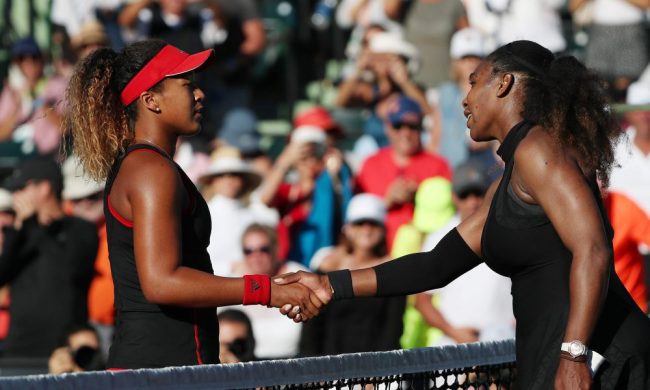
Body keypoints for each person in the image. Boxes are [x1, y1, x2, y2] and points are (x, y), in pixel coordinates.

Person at [278, 40, 650, 389]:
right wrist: (330, 284)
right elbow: (434, 266)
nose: (465, 100)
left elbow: (593, 249)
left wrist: (574, 353)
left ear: (504, 84)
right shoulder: (507, 183)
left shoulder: (538, 149)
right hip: (566, 361)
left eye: (474, 83)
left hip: (604, 361)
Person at [63, 39, 322, 369]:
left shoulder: (152, 167)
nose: (199, 95)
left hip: (169, 368)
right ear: (151, 100)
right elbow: (161, 282)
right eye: (187, 85)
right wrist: (265, 290)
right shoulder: (150, 170)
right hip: (157, 372)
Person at [0, 157, 99, 358]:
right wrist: (17, 233)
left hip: (63, 351)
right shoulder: (22, 232)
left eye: (21, 189)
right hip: (18, 350)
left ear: (44, 188)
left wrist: (33, 227)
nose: (16, 197)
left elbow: (70, 269)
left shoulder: (80, 229)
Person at [417, 161, 514, 346]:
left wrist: (516, 325)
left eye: (478, 193)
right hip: (454, 344)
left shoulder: (509, 233)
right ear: (454, 197)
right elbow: (423, 301)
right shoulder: (438, 237)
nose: (472, 202)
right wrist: (453, 332)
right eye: (465, 195)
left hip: (504, 342)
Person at [299, 193, 405, 356]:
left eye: (373, 223)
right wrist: (311, 372)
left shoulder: (393, 270)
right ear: (347, 228)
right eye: (360, 223)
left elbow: (392, 328)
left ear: (383, 230)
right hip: (329, 369)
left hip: (375, 372)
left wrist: (377, 375)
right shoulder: (327, 264)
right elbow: (312, 326)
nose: (367, 229)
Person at [355, 93, 451, 249]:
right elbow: (356, 217)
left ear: (421, 127)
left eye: (412, 126)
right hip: (378, 252)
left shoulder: (438, 165)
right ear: (387, 127)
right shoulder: (370, 164)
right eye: (398, 126)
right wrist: (386, 201)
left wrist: (420, 198)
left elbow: (447, 214)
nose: (405, 133)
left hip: (424, 250)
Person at [223, 223, 308, 359]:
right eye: (248, 251)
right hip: (244, 365)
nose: (256, 256)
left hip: (294, 361)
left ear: (276, 249)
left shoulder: (297, 277)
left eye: (263, 249)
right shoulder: (232, 283)